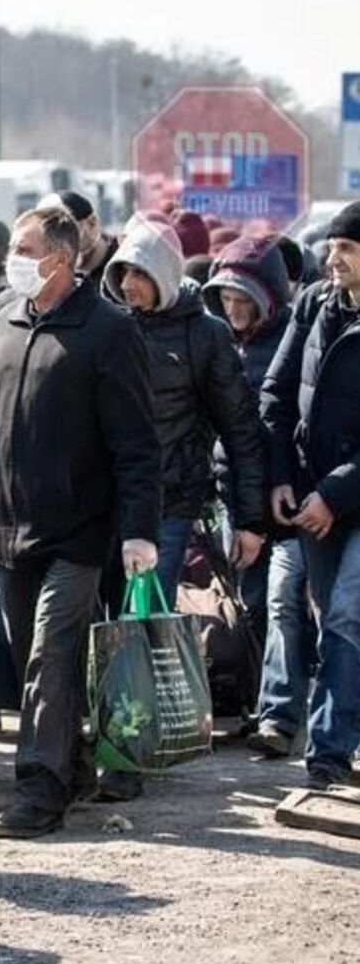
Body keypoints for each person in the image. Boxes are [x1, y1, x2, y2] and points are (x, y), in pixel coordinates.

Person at [0, 205, 159, 838]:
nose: (16, 260)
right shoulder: (4, 316)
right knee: (25, 654)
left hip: (78, 531)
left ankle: (38, 792)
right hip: (6, 526)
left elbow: (137, 443)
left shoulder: (108, 330)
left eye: (27, 250)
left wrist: (139, 528)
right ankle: (75, 759)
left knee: (51, 657)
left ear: (61, 260)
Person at [102, 215, 266, 603]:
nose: (127, 285)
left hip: (171, 501)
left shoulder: (205, 335)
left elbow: (240, 427)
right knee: (104, 622)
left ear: (162, 273)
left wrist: (251, 520)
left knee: (148, 619)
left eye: (139, 274)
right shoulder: (109, 326)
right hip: (107, 499)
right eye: (122, 273)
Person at [260, 201, 360, 791]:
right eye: (332, 249)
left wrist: (331, 492)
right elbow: (274, 395)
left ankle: (327, 751)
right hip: (314, 502)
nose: (332, 258)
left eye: (345, 249)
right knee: (334, 623)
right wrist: (281, 479)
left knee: (347, 611)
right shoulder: (315, 305)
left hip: (342, 498)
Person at [207, 238, 317, 761]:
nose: (234, 310)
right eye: (226, 300)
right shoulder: (220, 343)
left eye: (243, 300)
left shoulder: (295, 340)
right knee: (249, 605)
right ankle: (259, 704)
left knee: (284, 603)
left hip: (289, 496)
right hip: (235, 497)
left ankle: (280, 712)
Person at [39, 191, 112, 297]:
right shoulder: (51, 277)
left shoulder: (125, 266)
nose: (57, 239)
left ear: (92, 223)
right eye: (47, 233)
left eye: (64, 227)